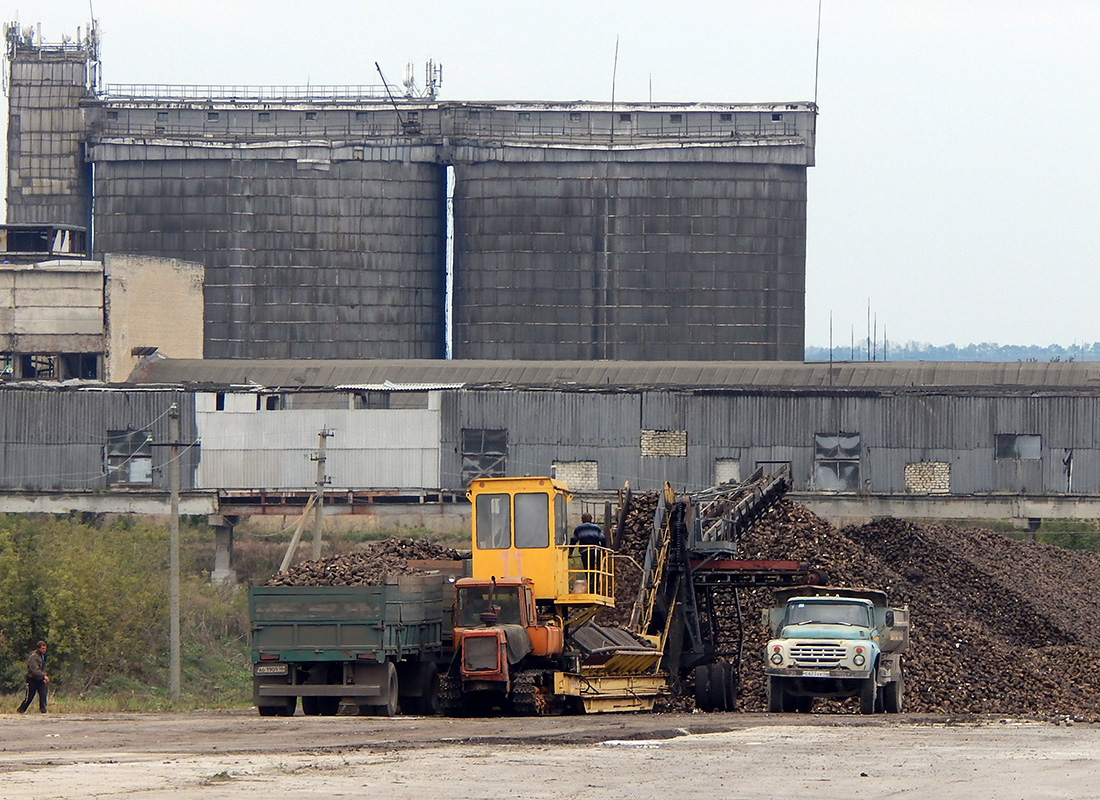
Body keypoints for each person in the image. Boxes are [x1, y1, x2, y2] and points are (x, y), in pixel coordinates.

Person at [17, 641, 49, 714]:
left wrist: (44, 677)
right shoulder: (33, 656)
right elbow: (35, 670)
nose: (44, 650)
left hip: (40, 679)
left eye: (45, 648)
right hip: (32, 679)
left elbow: (42, 668)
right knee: (29, 697)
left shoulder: (43, 656)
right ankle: (21, 710)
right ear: (38, 648)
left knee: (43, 695)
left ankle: (43, 711)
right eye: (42, 648)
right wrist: (44, 676)